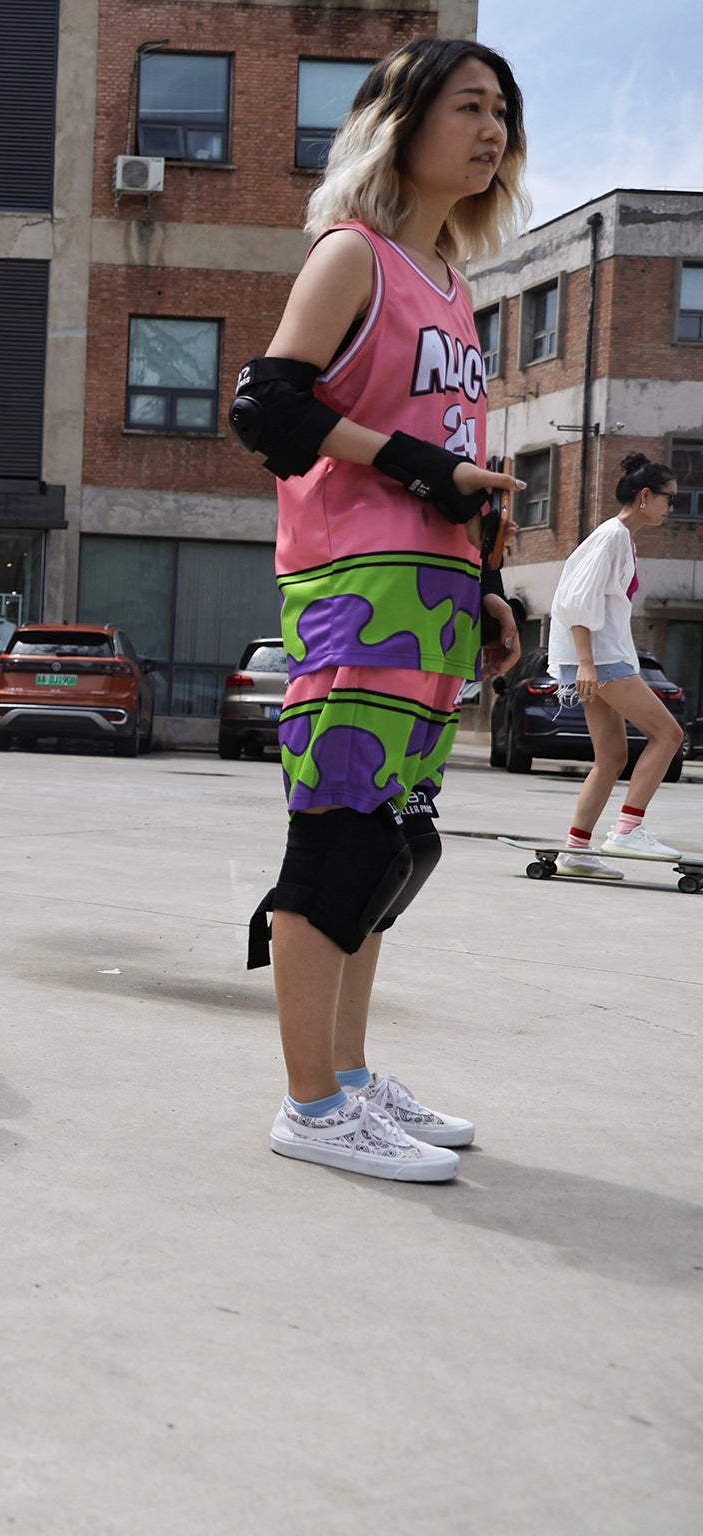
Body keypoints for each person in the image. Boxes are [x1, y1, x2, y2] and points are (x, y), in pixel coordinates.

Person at [229, 38, 529, 1182]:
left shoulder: (451, 286)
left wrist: (490, 587)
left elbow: (459, 460)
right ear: (400, 122)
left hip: (434, 594)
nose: (491, 128)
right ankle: (308, 1108)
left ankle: (347, 1080)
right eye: (467, 105)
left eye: (501, 110)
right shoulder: (349, 257)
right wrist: (411, 468)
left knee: (395, 847)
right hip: (357, 593)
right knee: (338, 839)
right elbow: (264, 406)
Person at [547, 453, 688, 877]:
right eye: (669, 499)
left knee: (611, 756)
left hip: (600, 657)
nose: (671, 507)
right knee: (668, 734)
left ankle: (576, 848)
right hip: (601, 660)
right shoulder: (611, 537)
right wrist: (587, 664)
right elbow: (574, 601)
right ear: (646, 497)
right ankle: (628, 829)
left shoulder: (619, 538)